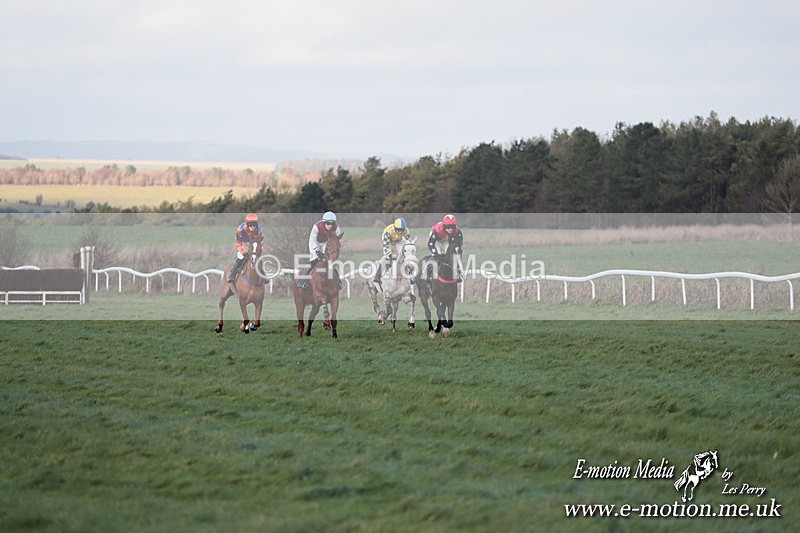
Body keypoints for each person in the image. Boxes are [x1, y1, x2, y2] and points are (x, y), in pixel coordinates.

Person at [298, 211, 343, 289]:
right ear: (324, 222)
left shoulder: (337, 229)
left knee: (331, 262)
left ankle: (339, 282)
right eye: (328, 223)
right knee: (314, 259)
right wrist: (316, 250)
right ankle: (303, 281)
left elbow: (335, 242)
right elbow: (312, 240)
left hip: (326, 243)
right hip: (315, 242)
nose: (330, 225)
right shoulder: (317, 226)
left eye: (332, 224)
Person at [422, 214, 463, 283]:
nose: (450, 229)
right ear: (444, 226)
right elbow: (431, 244)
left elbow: (458, 243)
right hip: (436, 239)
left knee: (451, 254)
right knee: (437, 255)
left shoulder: (457, 231)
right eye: (448, 227)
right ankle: (425, 272)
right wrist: (435, 253)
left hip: (446, 238)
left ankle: (457, 273)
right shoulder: (438, 230)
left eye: (452, 227)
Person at [373, 217, 413, 285]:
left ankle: (410, 275)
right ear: (395, 228)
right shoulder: (388, 231)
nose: (400, 232)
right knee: (387, 258)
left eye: (402, 230)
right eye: (398, 230)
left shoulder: (406, 231)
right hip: (388, 240)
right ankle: (378, 276)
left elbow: (407, 243)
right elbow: (386, 245)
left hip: (398, 241)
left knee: (404, 256)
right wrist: (388, 253)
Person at [228, 213, 265, 283]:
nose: (252, 227)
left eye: (254, 225)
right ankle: (232, 276)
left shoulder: (259, 231)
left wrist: (259, 251)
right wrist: (243, 252)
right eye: (250, 225)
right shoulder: (240, 229)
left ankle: (263, 275)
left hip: (254, 243)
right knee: (241, 257)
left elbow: (262, 243)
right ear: (247, 224)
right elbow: (238, 243)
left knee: (257, 257)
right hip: (243, 243)